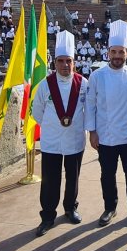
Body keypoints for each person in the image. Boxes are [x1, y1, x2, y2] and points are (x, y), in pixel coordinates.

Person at [86, 20, 127, 228]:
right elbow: (90, 106)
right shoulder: (97, 76)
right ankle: (110, 207)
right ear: (108, 52)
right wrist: (92, 132)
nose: (118, 56)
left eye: (121, 52)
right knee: (107, 175)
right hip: (105, 136)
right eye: (114, 52)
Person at [33, 31, 89, 237]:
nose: (65, 65)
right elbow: (37, 111)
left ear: (74, 62)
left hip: (74, 138)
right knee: (50, 179)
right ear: (54, 62)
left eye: (69, 61)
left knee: (73, 176)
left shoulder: (83, 83)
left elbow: (89, 110)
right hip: (52, 140)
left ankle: (70, 208)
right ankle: (47, 216)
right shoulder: (44, 85)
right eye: (61, 61)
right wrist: (51, 126)